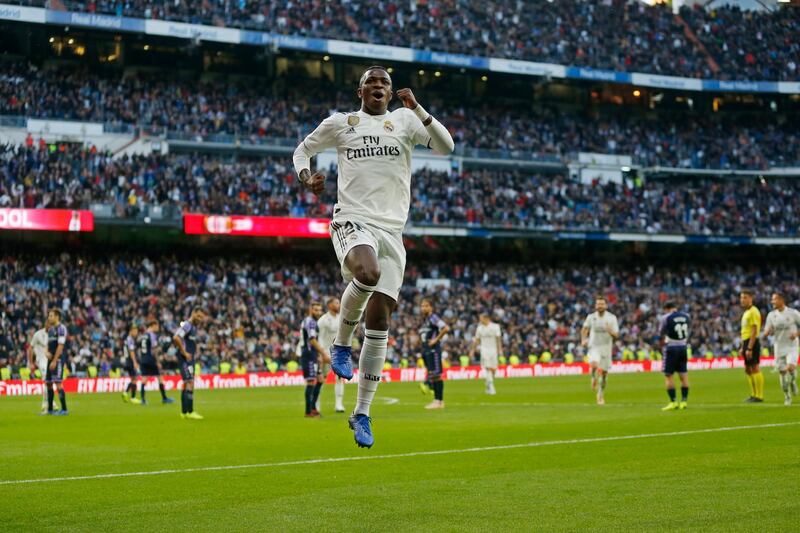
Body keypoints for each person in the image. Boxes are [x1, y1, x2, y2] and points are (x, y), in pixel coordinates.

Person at [293, 65, 454, 447]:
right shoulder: (342, 123)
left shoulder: (404, 121)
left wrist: (419, 109)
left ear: (392, 91)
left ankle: (362, 412)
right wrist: (307, 178)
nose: (379, 86)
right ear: (360, 91)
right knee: (366, 272)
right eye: (372, 82)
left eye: (385, 82)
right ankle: (342, 343)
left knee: (380, 322)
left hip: (392, 231)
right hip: (353, 219)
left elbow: (447, 146)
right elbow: (303, 150)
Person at [762, 292, 800, 406]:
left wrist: (796, 334)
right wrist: (768, 332)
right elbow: (766, 331)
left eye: (774, 299)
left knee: (791, 368)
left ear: (782, 300)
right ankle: (787, 396)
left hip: (792, 346)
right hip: (779, 347)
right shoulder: (771, 315)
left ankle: (793, 381)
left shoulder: (793, 313)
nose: (772, 302)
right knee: (782, 372)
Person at [580, 296, 619, 405]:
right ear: (595, 306)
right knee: (594, 365)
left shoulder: (612, 318)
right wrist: (583, 340)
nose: (600, 306)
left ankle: (600, 394)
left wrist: (610, 330)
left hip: (606, 348)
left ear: (606, 305)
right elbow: (584, 329)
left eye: (602, 304)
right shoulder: (591, 317)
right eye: (598, 304)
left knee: (605, 374)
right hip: (594, 346)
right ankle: (593, 377)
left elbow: (616, 335)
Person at [173, 307, 208, 420]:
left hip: (190, 360)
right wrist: (185, 352)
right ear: (193, 313)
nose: (200, 319)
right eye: (198, 316)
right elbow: (176, 338)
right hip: (185, 359)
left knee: (188, 383)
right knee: (189, 383)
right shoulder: (187, 325)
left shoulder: (193, 327)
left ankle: (184, 412)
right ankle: (190, 411)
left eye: (201, 317)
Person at [658, 302, 690, 411]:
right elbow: (688, 330)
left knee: (668, 375)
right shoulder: (686, 316)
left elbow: (661, 332)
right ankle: (684, 402)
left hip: (671, 347)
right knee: (684, 375)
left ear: (667, 309)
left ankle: (673, 402)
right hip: (683, 347)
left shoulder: (666, 317)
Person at [419, 298, 450, 409]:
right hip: (427, 351)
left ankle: (439, 401)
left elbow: (446, 328)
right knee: (433, 376)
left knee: (437, 376)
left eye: (426, 306)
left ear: (431, 307)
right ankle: (437, 401)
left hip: (434, 350)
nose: (423, 308)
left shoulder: (433, 317)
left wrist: (435, 340)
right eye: (422, 306)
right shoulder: (425, 319)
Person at [300, 302, 329, 418]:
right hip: (308, 355)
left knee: (320, 379)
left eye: (320, 310)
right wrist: (323, 353)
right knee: (311, 381)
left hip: (313, 355)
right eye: (315, 310)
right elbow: (312, 340)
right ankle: (308, 411)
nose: (318, 312)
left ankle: (313, 408)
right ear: (311, 310)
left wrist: (318, 356)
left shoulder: (313, 322)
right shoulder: (310, 322)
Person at [137, 320, 174, 405]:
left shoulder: (143, 335)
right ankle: (164, 398)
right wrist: (157, 361)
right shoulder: (151, 335)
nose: (158, 328)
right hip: (151, 359)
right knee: (160, 377)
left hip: (143, 360)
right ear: (153, 325)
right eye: (157, 326)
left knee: (144, 379)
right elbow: (154, 350)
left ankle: (142, 399)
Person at [317, 297, 345, 413]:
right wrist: (321, 353)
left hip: (337, 352)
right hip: (325, 352)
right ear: (329, 305)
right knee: (321, 378)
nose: (339, 305)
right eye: (336, 303)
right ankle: (316, 404)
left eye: (339, 303)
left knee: (339, 377)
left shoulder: (340, 318)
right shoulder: (323, 320)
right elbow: (318, 337)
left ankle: (339, 405)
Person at [469, 313, 503, 395]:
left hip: (494, 350)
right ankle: (491, 387)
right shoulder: (479, 328)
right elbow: (477, 340)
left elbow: (498, 339)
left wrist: (500, 349)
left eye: (481, 318)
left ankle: (488, 383)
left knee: (494, 369)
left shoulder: (495, 327)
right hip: (484, 350)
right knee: (488, 368)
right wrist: (472, 350)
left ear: (486, 318)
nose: (480, 320)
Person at [740, 290, 764, 403]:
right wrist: (742, 347)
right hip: (746, 341)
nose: (742, 300)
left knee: (754, 368)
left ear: (751, 298)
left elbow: (754, 331)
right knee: (748, 369)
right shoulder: (746, 312)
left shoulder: (754, 311)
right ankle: (753, 394)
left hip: (752, 342)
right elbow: (745, 330)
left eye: (745, 297)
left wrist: (749, 348)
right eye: (741, 298)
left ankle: (759, 395)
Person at [44, 309, 69, 415]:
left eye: (51, 316)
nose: (49, 318)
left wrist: (54, 361)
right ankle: (50, 409)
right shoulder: (50, 330)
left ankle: (64, 409)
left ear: (57, 317)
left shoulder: (61, 329)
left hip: (57, 359)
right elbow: (46, 344)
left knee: (58, 384)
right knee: (48, 383)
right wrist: (46, 352)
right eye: (49, 316)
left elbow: (60, 346)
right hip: (50, 359)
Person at [26, 323, 49, 414]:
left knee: (49, 382)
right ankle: (46, 404)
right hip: (42, 361)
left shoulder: (51, 334)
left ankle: (48, 403)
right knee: (47, 381)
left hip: (49, 361)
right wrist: (31, 362)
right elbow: (30, 348)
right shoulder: (37, 334)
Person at [121, 325, 142, 405]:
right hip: (130, 361)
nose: (136, 333)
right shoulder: (130, 339)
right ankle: (132, 398)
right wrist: (135, 362)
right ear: (131, 330)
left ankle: (126, 393)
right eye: (135, 331)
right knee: (135, 379)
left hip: (127, 361)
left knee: (133, 379)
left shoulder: (127, 339)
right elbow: (131, 351)